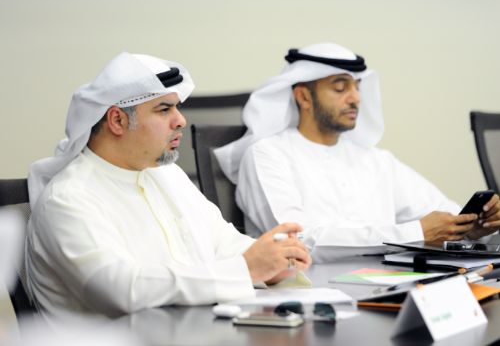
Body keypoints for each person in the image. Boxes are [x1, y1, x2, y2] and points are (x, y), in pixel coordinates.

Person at [25, 52, 311, 321]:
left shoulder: (166, 175)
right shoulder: (68, 198)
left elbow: (224, 243)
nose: (181, 120)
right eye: (164, 110)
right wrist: (246, 270)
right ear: (117, 120)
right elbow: (121, 290)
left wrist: (275, 261)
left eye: (177, 108)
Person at [214, 43, 500, 259]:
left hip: (389, 286)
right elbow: (298, 240)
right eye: (340, 88)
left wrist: (472, 227)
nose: (355, 98)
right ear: (303, 97)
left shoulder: (375, 160)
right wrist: (416, 233)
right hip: (307, 298)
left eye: (357, 87)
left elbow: (441, 212)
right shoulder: (267, 154)